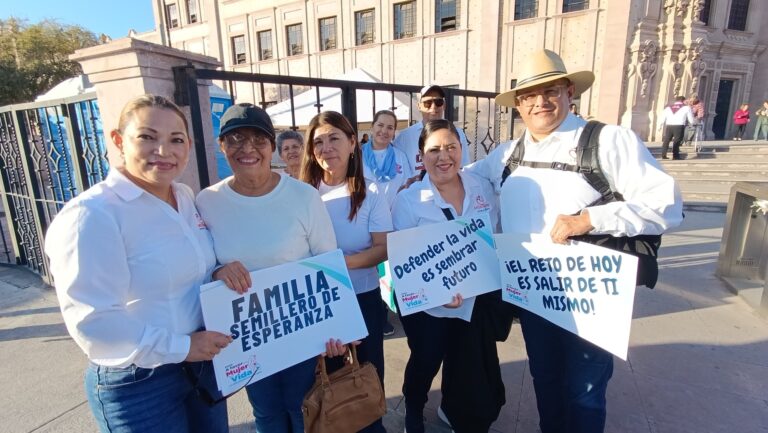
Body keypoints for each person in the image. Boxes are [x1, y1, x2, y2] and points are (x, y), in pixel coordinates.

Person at [468, 49, 683, 433]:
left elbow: (667, 204)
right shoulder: (505, 154)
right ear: (518, 105)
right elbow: (464, 178)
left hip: (589, 296)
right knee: (545, 382)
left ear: (569, 92)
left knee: (584, 392)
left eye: (550, 91)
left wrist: (590, 219)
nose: (540, 102)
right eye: (529, 96)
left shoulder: (608, 140)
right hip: (533, 294)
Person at [44, 94, 231, 433]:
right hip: (141, 383)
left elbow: (192, 268)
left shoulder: (185, 197)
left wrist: (217, 270)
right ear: (118, 141)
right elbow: (93, 322)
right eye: (147, 137)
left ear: (188, 145)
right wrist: (184, 347)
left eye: (176, 140)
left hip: (201, 367)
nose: (164, 150)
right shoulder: (93, 215)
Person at [195, 103, 346, 433]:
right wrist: (219, 271)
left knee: (303, 409)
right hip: (246, 337)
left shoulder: (304, 196)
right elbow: (200, 264)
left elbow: (329, 264)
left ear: (271, 146)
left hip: (301, 330)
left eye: (258, 139)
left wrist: (340, 328)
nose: (247, 148)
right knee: (265, 412)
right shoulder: (207, 201)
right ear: (222, 146)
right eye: (235, 139)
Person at [392, 119, 509, 433]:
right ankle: (414, 409)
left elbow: (494, 235)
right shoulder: (409, 199)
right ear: (421, 155)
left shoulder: (481, 186)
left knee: (465, 363)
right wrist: (437, 292)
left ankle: (454, 410)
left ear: (461, 149)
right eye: (433, 150)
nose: (443, 156)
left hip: (474, 299)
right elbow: (403, 261)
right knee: (426, 361)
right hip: (429, 306)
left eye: (451, 147)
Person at [301, 111, 392, 433]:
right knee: (322, 380)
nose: (326, 148)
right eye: (318, 142)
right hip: (313, 304)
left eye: (334, 138)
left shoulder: (371, 192)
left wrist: (338, 265)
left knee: (363, 379)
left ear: (353, 142)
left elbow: (383, 249)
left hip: (362, 299)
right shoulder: (301, 194)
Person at [393, 84, 470, 175]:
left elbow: (464, 168)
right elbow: (400, 173)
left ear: (444, 105)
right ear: (419, 106)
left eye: (438, 102)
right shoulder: (404, 137)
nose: (433, 107)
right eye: (427, 103)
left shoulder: (458, 134)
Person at [659, 95, 695, 160]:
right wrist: (692, 123)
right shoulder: (686, 108)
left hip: (669, 125)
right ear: (683, 101)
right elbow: (690, 118)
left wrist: (660, 125)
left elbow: (662, 117)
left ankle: (663, 155)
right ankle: (675, 156)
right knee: (677, 141)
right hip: (679, 125)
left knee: (666, 140)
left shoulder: (668, 108)